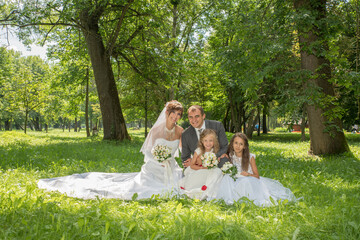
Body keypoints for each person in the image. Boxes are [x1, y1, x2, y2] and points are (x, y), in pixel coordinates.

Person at [38, 100, 184, 200]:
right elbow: (148, 152)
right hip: (156, 167)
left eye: (179, 114)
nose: (175, 117)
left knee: (182, 184)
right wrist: (159, 161)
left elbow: (184, 149)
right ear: (167, 112)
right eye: (174, 113)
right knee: (149, 190)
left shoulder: (180, 131)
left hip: (171, 166)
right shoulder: (156, 130)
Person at [215, 133, 296, 207]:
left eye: (241, 144)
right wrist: (223, 157)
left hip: (249, 180)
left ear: (245, 146)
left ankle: (243, 198)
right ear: (232, 144)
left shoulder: (250, 157)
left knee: (245, 181)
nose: (238, 146)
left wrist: (248, 174)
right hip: (236, 179)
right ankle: (229, 198)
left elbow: (257, 176)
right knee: (227, 177)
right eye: (236, 143)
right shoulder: (230, 155)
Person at [179, 129, 223, 200]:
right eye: (205, 140)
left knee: (218, 171)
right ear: (202, 141)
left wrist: (215, 162)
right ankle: (201, 190)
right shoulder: (198, 151)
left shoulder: (213, 151)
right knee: (207, 173)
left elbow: (213, 164)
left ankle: (209, 190)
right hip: (198, 170)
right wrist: (202, 168)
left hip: (208, 171)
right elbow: (192, 165)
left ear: (214, 142)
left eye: (211, 140)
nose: (208, 143)